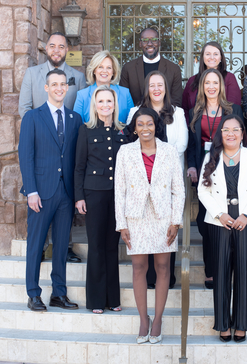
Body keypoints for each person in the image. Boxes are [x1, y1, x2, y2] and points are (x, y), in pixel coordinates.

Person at [115, 108, 185, 344]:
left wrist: (176, 221)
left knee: (163, 267)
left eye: (150, 124)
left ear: (157, 126)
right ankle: (143, 319)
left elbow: (179, 189)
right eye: (140, 124)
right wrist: (121, 223)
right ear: (134, 128)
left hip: (163, 216)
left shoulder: (169, 151)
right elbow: (119, 191)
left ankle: (158, 320)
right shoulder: (125, 152)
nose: (145, 128)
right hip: (135, 216)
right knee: (138, 267)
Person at [18, 31, 86, 263]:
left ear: (67, 50)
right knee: (42, 203)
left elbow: (81, 112)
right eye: (52, 46)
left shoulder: (77, 76)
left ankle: (63, 248)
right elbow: (25, 108)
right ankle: (42, 247)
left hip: (67, 148)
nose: (57, 50)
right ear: (46, 48)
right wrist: (40, 129)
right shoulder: (32, 73)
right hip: (41, 146)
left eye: (61, 46)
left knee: (64, 202)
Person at [18, 68, 82, 312]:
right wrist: (31, 191)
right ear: (46, 88)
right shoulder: (33, 118)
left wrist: (77, 193)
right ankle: (33, 293)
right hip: (40, 194)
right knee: (35, 245)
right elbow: (26, 156)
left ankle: (59, 293)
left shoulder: (75, 119)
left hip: (65, 193)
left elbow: (76, 158)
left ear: (67, 88)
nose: (59, 88)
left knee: (61, 247)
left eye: (63, 84)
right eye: (54, 84)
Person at [198, 115, 247, 343]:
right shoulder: (211, 156)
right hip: (220, 221)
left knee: (245, 273)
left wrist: (246, 215)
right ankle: (223, 325)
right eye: (226, 130)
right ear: (220, 133)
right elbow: (202, 191)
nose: (230, 134)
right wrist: (220, 214)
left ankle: (242, 325)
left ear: (242, 133)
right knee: (221, 274)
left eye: (235, 130)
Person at [126, 70, 188, 290]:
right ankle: (149, 280)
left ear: (166, 88)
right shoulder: (136, 111)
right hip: (142, 183)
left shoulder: (178, 113)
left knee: (165, 231)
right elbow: (131, 140)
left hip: (166, 181)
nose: (156, 89)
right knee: (144, 233)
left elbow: (181, 144)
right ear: (147, 88)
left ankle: (165, 278)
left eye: (160, 85)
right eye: (152, 85)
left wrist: (162, 155)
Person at [187, 68, 243, 289]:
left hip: (228, 170)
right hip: (204, 171)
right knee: (205, 221)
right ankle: (211, 271)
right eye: (207, 83)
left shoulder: (233, 109)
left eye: (215, 82)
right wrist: (191, 165)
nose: (211, 86)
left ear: (221, 85)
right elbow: (192, 144)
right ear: (202, 86)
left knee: (227, 219)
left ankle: (228, 268)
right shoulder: (194, 111)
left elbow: (240, 140)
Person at [74, 86, 129, 314]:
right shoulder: (86, 131)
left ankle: (112, 298)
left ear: (115, 105)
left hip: (116, 195)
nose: (105, 105)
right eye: (101, 101)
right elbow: (79, 167)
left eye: (109, 101)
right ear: (94, 105)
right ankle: (96, 300)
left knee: (111, 246)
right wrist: (79, 197)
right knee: (96, 246)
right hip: (94, 194)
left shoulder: (123, 132)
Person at [120, 27, 182, 107]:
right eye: (145, 40)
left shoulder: (173, 69)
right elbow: (124, 101)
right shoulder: (128, 68)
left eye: (154, 39)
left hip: (165, 117)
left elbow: (176, 102)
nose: (149, 43)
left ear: (159, 43)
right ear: (140, 44)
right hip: (136, 117)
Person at [182, 41, 241, 121]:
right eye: (208, 54)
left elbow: (234, 108)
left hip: (223, 129)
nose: (212, 57)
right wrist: (191, 127)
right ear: (203, 57)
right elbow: (185, 109)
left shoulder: (229, 78)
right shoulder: (192, 81)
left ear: (221, 58)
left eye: (216, 54)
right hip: (196, 130)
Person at [73, 50, 134, 124]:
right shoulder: (82, 95)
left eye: (109, 68)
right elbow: (77, 125)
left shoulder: (125, 93)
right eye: (100, 67)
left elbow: (131, 123)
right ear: (94, 70)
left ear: (113, 72)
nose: (104, 71)